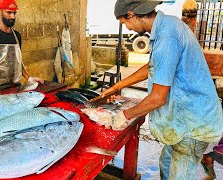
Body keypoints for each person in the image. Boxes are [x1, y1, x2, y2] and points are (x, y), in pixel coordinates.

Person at [90, 0, 223, 179]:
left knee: (179, 175)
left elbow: (158, 98)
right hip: (182, 118)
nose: (127, 28)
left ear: (131, 14)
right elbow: (153, 65)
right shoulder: (165, 26)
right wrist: (117, 86)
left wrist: (123, 116)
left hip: (191, 123)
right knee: (166, 165)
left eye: (124, 23)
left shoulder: (168, 35)